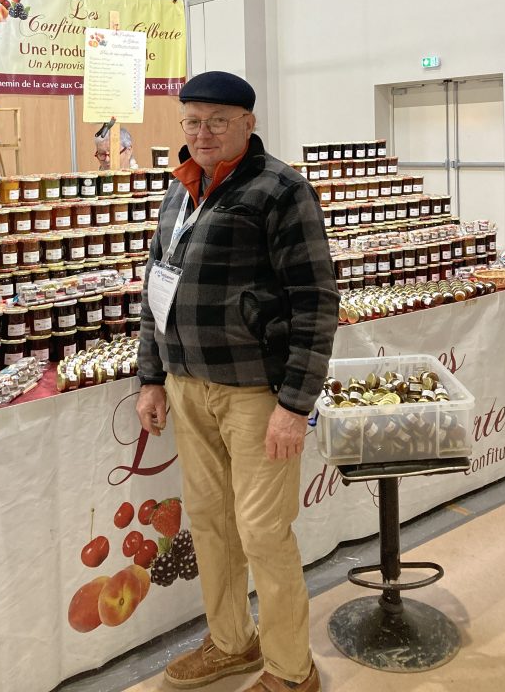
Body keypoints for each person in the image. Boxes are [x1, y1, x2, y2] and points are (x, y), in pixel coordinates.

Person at [136, 71, 339, 692]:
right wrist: (151, 377)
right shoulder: (181, 189)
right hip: (188, 385)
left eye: (217, 120)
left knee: (262, 531)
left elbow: (315, 300)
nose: (203, 133)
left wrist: (294, 405)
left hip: (255, 394)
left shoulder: (280, 189)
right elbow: (155, 288)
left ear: (249, 122)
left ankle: (289, 668)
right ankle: (231, 641)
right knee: (211, 522)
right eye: (192, 121)